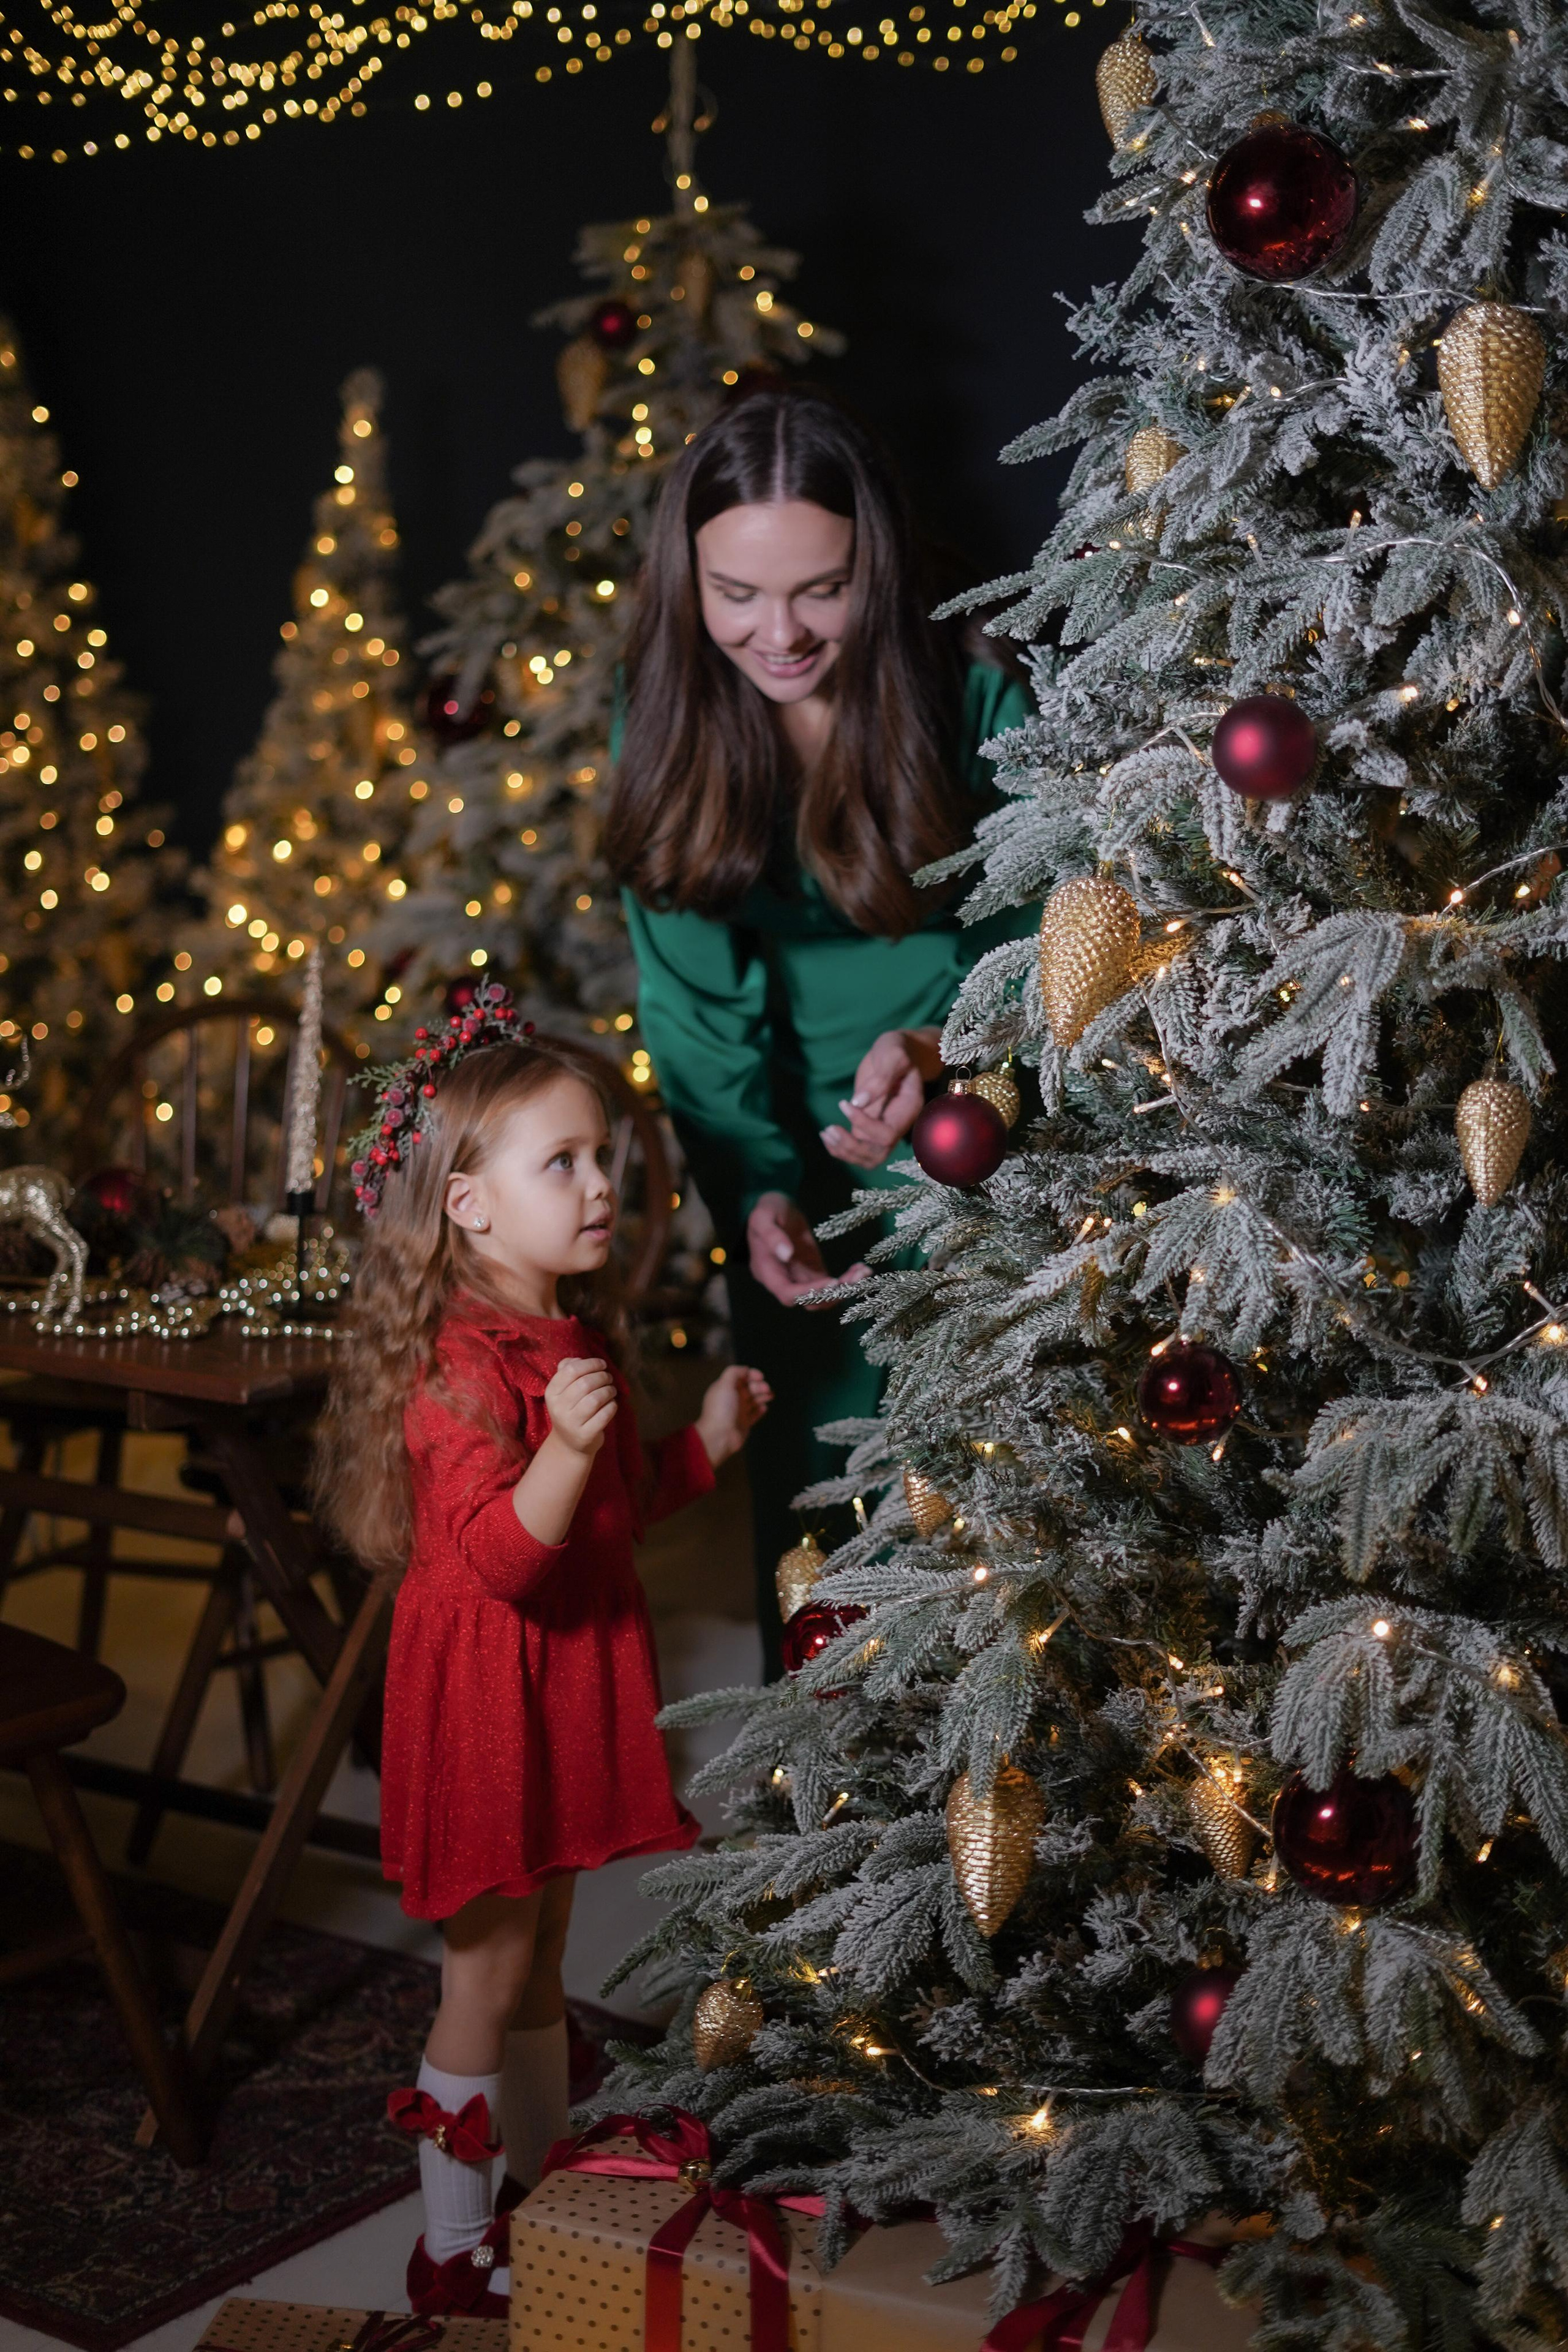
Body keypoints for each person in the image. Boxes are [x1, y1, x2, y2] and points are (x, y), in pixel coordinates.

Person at [315, 988, 769, 2315]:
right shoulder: (454, 1368)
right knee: (485, 1967)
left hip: (559, 1682)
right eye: (561, 1163)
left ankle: (534, 2181)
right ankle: (451, 2247)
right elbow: (511, 1558)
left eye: (600, 1160)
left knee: (542, 1947)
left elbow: (609, 1508)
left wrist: (703, 1445)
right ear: (466, 1205)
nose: (600, 1187)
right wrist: (565, 1447)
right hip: (488, 1697)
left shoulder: (567, 1331)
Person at [606, 390, 1033, 1673]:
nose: (779, 633)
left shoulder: (972, 681)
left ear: (876, 567)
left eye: (822, 590)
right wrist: (757, 1194)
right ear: (688, 581)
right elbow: (691, 1004)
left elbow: (1049, 925)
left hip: (977, 1122)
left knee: (982, 1495)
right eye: (736, 594)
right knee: (815, 1517)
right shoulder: (663, 709)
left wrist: (947, 1048)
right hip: (782, 1146)